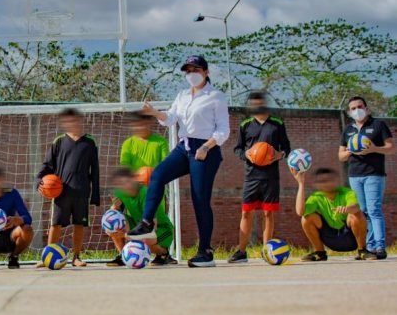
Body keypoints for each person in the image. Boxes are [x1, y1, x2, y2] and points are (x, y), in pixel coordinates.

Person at [127, 55, 229, 268]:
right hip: (185, 147)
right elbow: (171, 118)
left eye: (196, 70)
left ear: (206, 72)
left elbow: (223, 130)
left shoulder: (216, 97)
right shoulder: (182, 95)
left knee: (199, 199)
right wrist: (154, 112)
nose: (192, 74)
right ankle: (146, 223)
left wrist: (206, 146)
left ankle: (205, 251)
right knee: (158, 175)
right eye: (188, 70)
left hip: (206, 149)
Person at [229, 91, 291, 263]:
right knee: (246, 213)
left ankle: (267, 250)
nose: (257, 106)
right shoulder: (245, 125)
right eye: (253, 104)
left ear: (264, 103)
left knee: (268, 214)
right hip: (251, 176)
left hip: (271, 176)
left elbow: (287, 147)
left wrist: (280, 155)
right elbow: (238, 149)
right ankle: (241, 251)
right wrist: (246, 154)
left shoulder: (277, 123)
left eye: (260, 103)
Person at [37, 108, 100, 267]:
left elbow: (95, 170)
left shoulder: (90, 142)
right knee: (55, 224)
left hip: (82, 191)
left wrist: (95, 194)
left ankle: (76, 257)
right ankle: (47, 257)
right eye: (69, 121)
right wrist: (39, 179)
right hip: (60, 192)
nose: (72, 123)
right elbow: (47, 165)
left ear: (81, 121)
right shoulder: (58, 141)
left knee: (79, 224)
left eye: (75, 120)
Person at [338, 96, 395, 260]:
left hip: (374, 174)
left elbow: (391, 148)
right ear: (349, 112)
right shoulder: (348, 130)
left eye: (360, 106)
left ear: (366, 108)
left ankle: (380, 246)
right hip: (355, 175)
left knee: (374, 210)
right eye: (353, 108)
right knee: (362, 212)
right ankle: (368, 248)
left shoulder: (378, 125)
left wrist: (374, 149)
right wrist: (351, 150)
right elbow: (341, 156)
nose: (357, 110)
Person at [290, 167, 370, 261]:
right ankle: (320, 253)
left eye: (329, 180)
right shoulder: (316, 197)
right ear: (316, 185)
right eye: (322, 181)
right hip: (330, 238)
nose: (326, 183)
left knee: (356, 214)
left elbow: (356, 207)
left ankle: (362, 251)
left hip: (350, 238)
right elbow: (300, 212)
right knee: (307, 217)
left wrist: (347, 209)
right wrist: (301, 183)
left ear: (337, 181)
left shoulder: (347, 192)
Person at [106, 168, 176, 267]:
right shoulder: (120, 192)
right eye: (120, 184)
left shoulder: (146, 193)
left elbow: (151, 230)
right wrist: (114, 209)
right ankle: (123, 255)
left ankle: (163, 253)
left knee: (144, 240)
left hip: (161, 229)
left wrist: (125, 235)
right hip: (139, 225)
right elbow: (113, 215)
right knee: (112, 221)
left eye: (125, 182)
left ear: (133, 179)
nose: (123, 187)